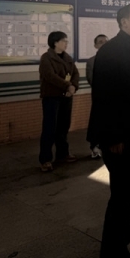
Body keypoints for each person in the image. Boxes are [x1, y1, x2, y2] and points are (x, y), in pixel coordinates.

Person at [87, 3, 130, 258]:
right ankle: (113, 251)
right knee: (123, 195)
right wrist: (113, 137)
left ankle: (118, 247)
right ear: (124, 22)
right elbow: (104, 97)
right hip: (120, 138)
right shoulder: (112, 51)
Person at [38, 31, 79, 172]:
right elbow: (50, 76)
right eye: (63, 41)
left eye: (67, 41)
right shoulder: (46, 58)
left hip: (66, 96)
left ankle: (63, 154)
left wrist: (73, 87)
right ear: (55, 42)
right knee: (49, 128)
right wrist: (68, 86)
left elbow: (75, 73)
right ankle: (45, 159)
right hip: (52, 97)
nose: (66, 43)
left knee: (63, 127)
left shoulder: (68, 58)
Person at [85, 33, 109, 159]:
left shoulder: (115, 59)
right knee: (97, 123)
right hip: (99, 98)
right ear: (95, 46)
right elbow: (91, 80)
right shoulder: (91, 62)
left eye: (106, 42)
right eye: (100, 42)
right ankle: (95, 147)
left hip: (114, 99)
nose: (104, 44)